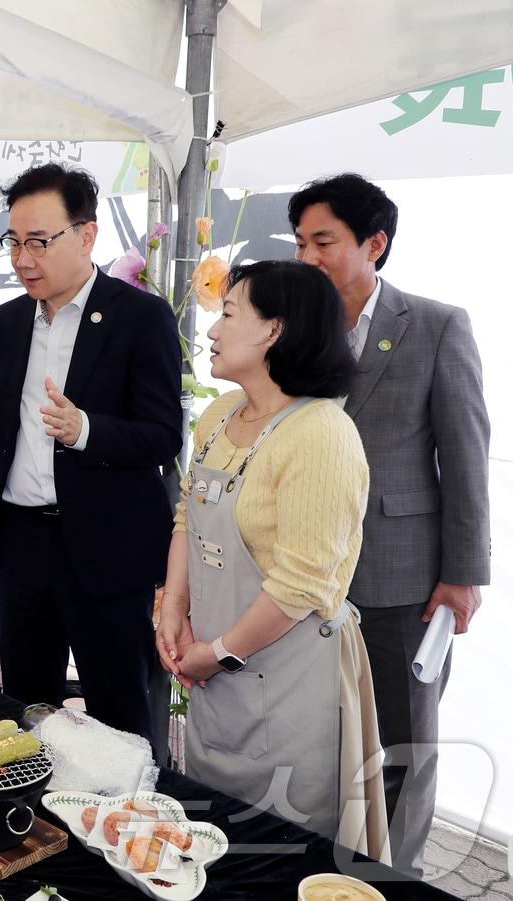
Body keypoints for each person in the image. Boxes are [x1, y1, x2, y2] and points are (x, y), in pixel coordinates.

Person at [0, 164, 180, 741]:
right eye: (14, 242)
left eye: (39, 242)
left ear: (86, 235)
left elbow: (163, 434)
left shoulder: (140, 317)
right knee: (23, 709)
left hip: (107, 552)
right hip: (23, 544)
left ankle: (129, 822)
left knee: (119, 713)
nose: (23, 258)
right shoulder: (8, 320)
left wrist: (86, 430)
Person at [290, 174, 490, 877]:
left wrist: (462, 575)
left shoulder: (435, 324)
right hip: (310, 574)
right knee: (328, 739)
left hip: (401, 575)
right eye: (300, 241)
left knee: (404, 745)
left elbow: (465, 453)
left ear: (375, 243)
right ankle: (326, 871)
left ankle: (391, 882)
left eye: (324, 241)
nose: (307, 256)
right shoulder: (298, 329)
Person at [156, 260, 390, 860]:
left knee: (281, 851)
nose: (211, 330)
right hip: (217, 677)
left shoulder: (320, 433)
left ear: (274, 331)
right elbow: (188, 517)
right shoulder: (217, 417)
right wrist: (174, 609)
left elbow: (299, 585)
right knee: (213, 835)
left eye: (229, 314)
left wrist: (218, 652)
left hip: (291, 680)